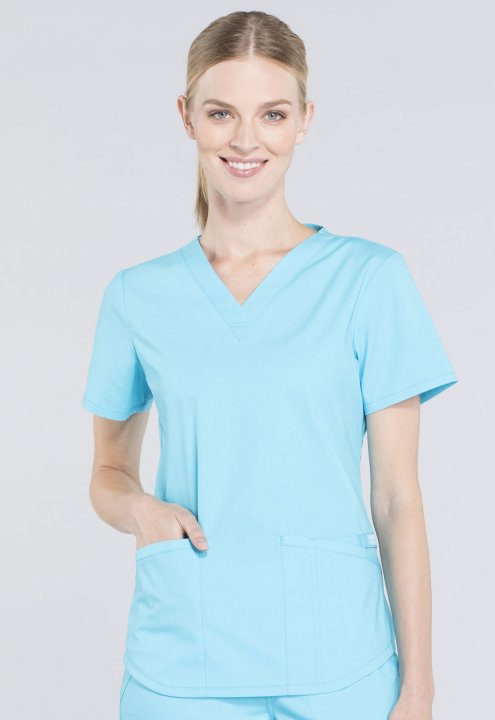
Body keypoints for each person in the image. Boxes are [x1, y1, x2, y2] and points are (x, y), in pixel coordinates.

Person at [81, 10, 458, 720]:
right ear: (186, 117)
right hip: (182, 659)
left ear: (304, 121)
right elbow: (107, 471)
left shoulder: (368, 280)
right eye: (221, 112)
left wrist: (419, 686)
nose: (246, 139)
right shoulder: (137, 296)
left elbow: (396, 498)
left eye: (272, 114)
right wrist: (140, 511)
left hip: (339, 661)